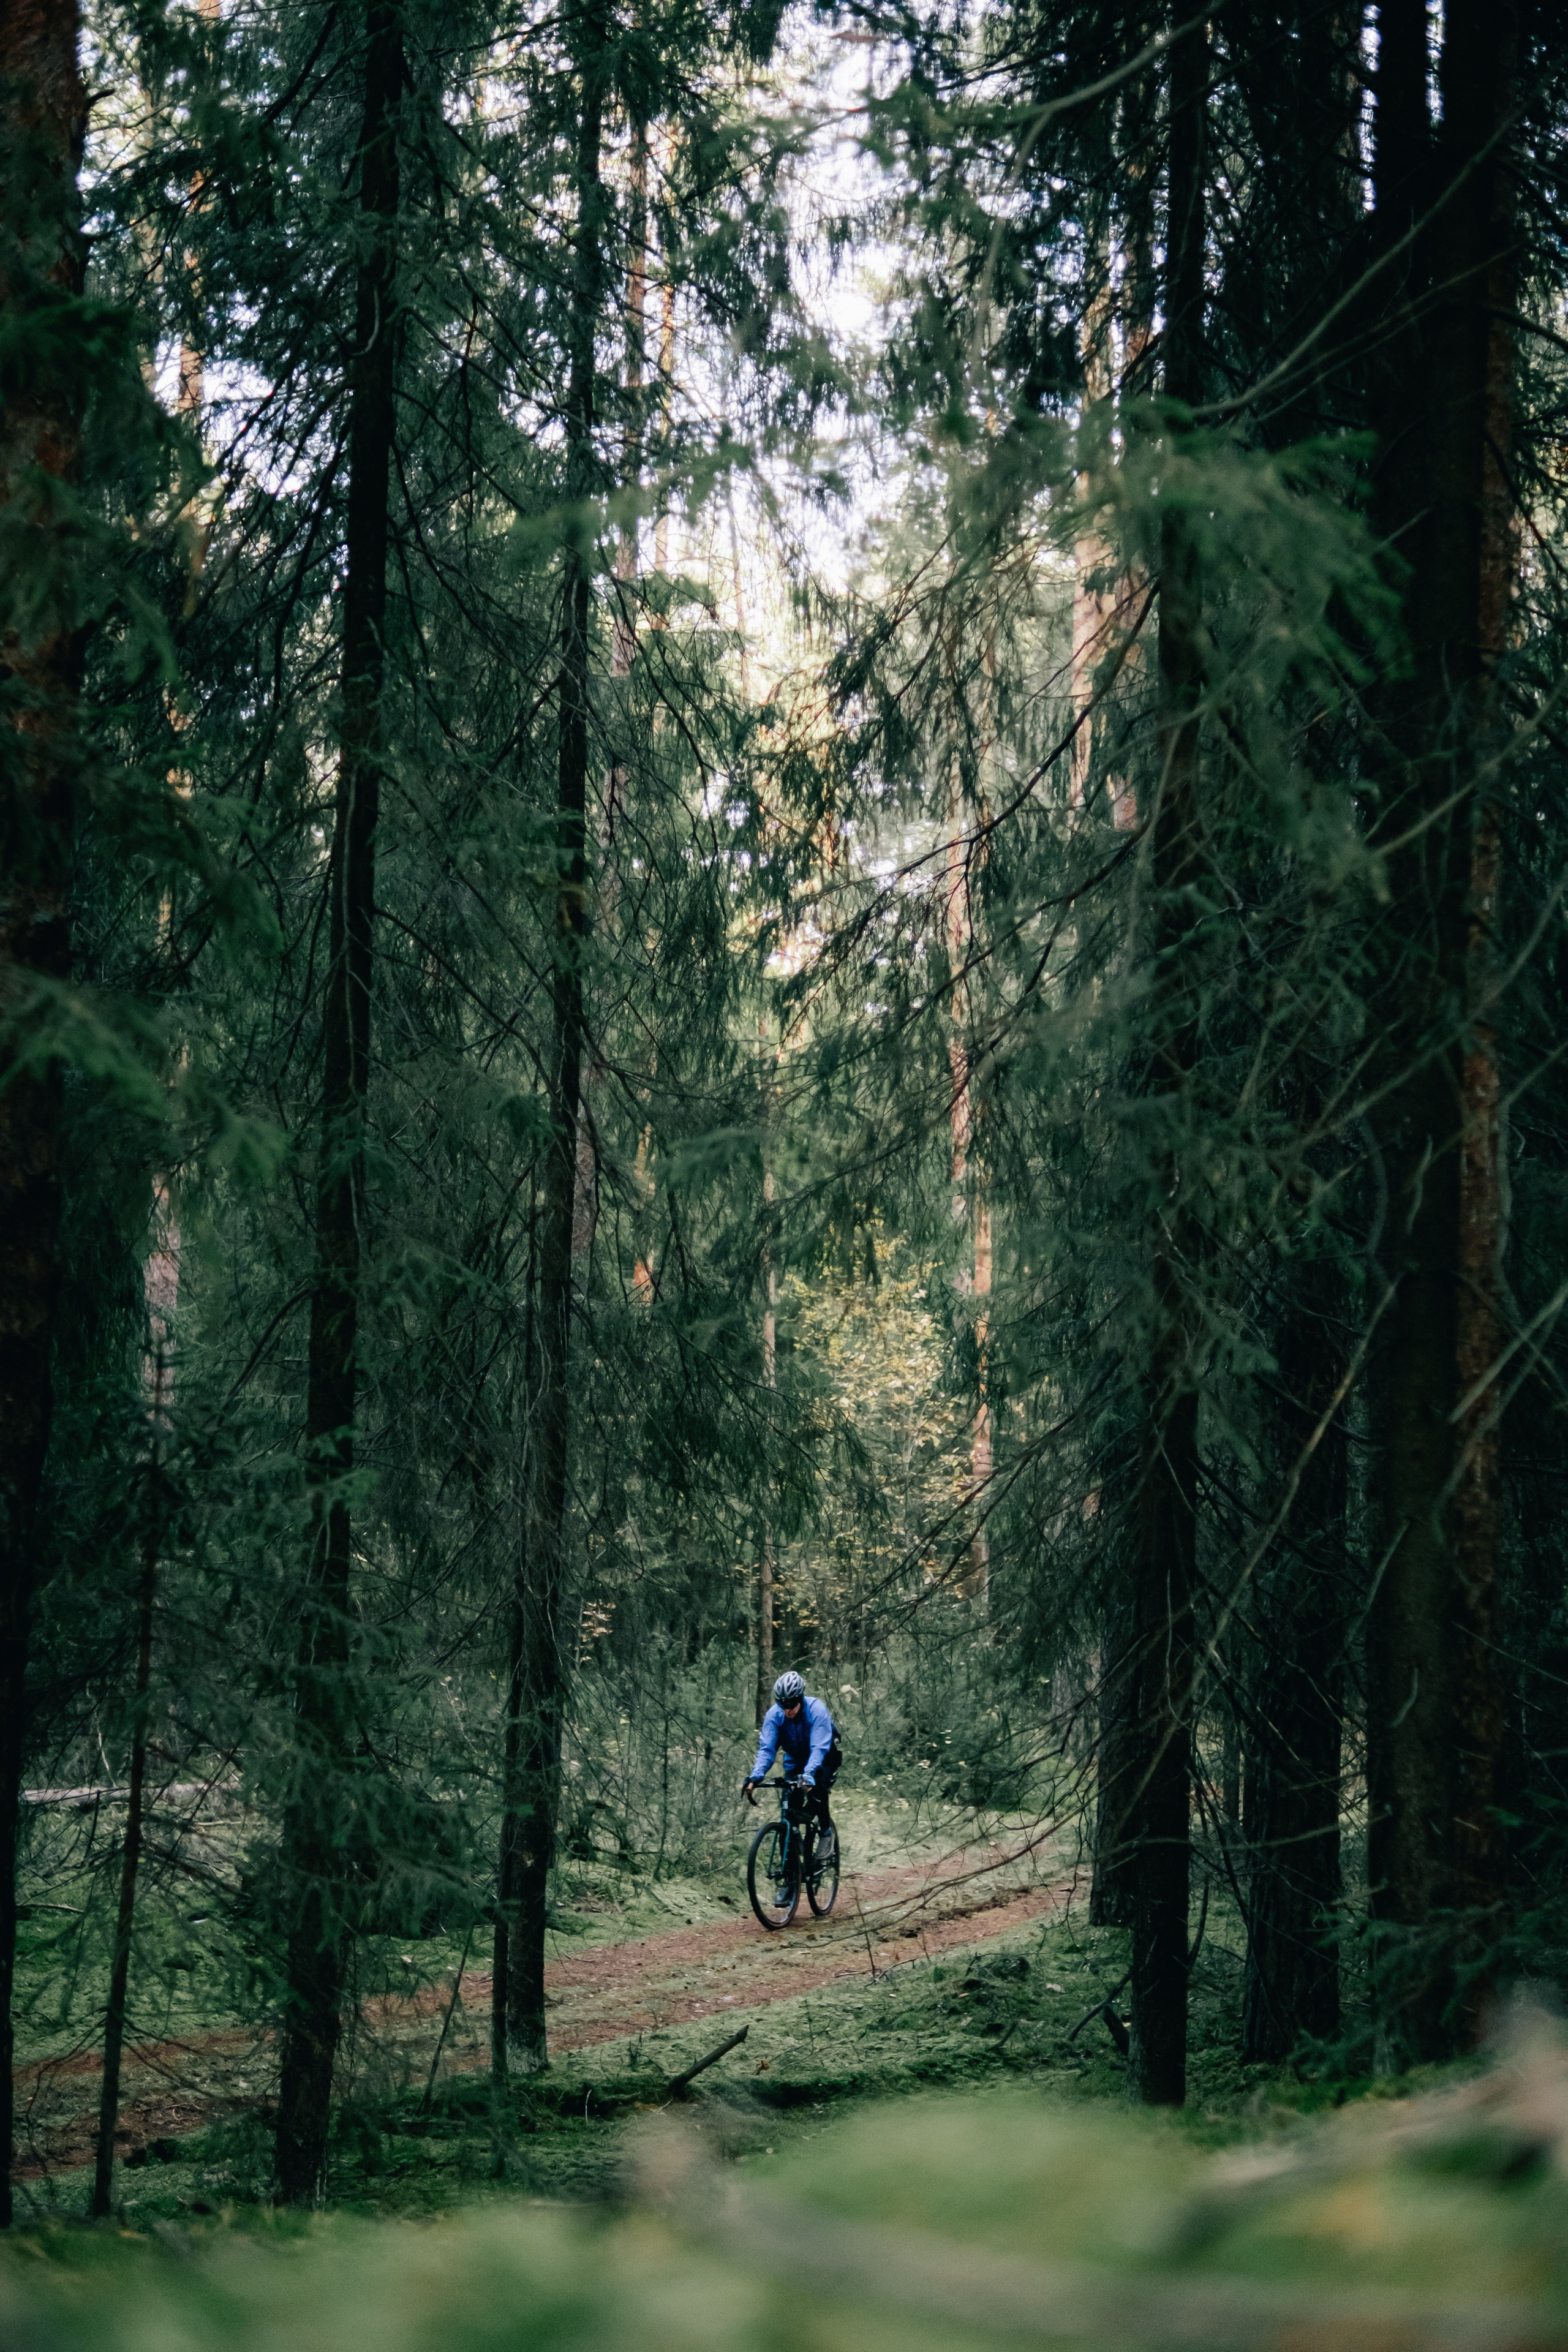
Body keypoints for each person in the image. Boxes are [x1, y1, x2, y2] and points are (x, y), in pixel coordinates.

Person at [742, 1670, 841, 1836]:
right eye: (783, 1704)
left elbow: (818, 1748)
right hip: (795, 1763)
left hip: (824, 1758)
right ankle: (791, 1848)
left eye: (792, 1703)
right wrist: (755, 1776)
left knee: (818, 1794)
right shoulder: (774, 1716)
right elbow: (767, 1749)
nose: (787, 1709)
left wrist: (809, 1773)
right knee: (789, 1813)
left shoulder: (817, 1711)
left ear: (801, 1698)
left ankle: (826, 1833)